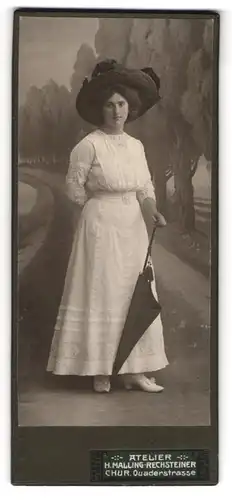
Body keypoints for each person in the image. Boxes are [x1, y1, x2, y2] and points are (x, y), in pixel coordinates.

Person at [47, 60, 169, 393]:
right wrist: (100, 207)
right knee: (102, 293)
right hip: (99, 226)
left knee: (133, 292)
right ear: (100, 109)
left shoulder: (136, 146)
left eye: (121, 104)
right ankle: (101, 370)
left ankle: (134, 370)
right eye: (109, 105)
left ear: (130, 108)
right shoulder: (88, 146)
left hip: (132, 227)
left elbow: (145, 188)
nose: (116, 111)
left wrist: (152, 211)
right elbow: (73, 189)